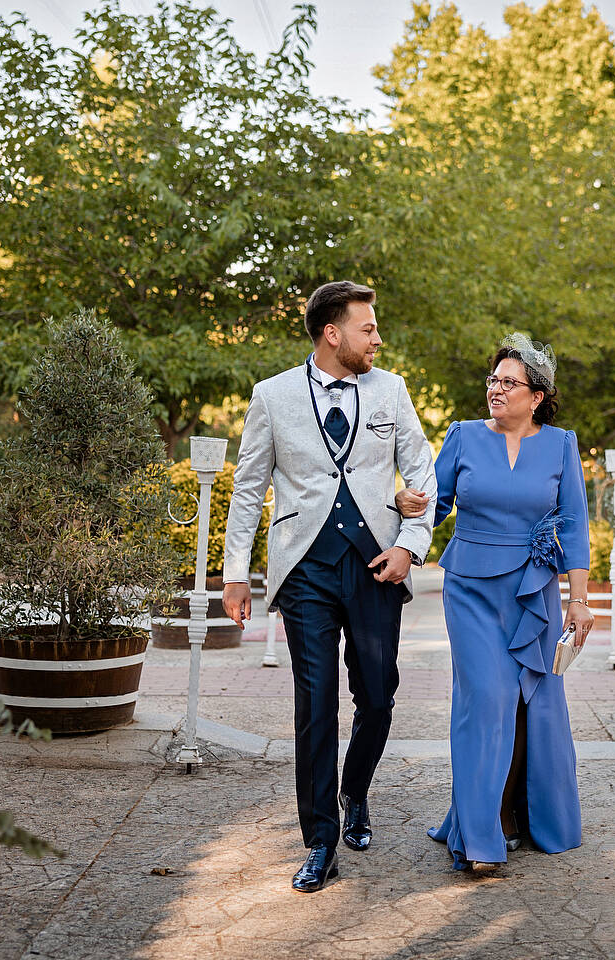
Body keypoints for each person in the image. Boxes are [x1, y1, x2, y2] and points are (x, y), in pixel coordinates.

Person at [222, 281, 437, 893]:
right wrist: (237, 572)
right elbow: (248, 486)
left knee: (378, 694)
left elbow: (421, 470)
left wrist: (409, 545)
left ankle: (356, 791)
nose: (377, 337)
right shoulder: (272, 396)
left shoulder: (391, 389)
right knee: (313, 705)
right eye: (367, 328)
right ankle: (319, 840)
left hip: (376, 565)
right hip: (307, 569)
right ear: (331, 334)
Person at [396, 333, 593, 870]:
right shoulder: (462, 436)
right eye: (494, 380)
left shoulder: (560, 445)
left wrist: (578, 600)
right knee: (486, 699)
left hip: (535, 593)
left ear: (537, 397)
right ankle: (480, 839)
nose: (497, 389)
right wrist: (404, 508)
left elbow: (573, 524)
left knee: (539, 704)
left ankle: (530, 820)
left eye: (510, 382)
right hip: (471, 590)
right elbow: (431, 507)